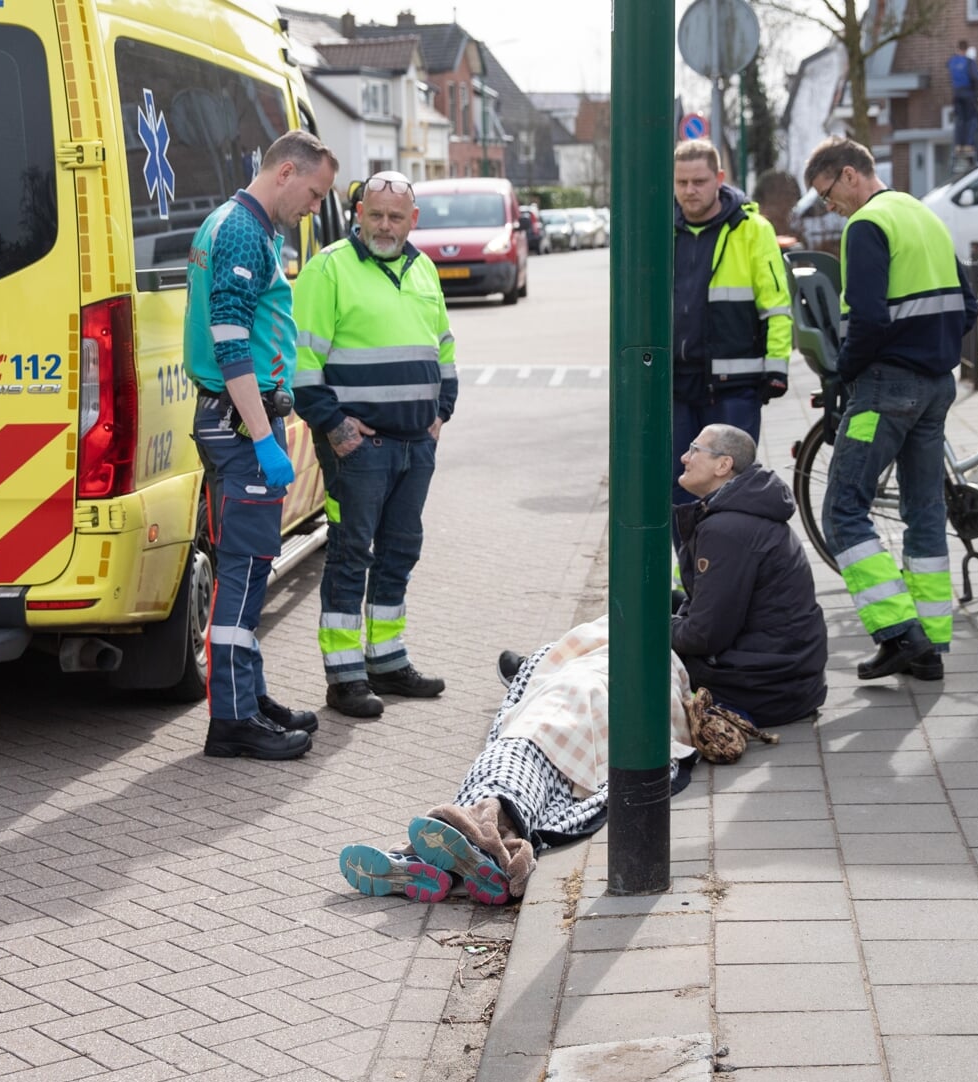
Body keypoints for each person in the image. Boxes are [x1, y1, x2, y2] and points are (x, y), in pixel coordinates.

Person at [339, 619, 700, 904]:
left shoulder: (635, 642)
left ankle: (439, 853)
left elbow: (534, 670)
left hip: (564, 703)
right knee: (531, 770)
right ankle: (477, 851)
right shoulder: (657, 651)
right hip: (583, 710)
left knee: (513, 753)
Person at [185, 129, 341, 759]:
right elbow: (229, 342)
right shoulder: (246, 230)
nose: (313, 207)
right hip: (241, 421)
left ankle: (248, 696)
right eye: (313, 192)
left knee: (246, 569)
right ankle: (232, 720)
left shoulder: (241, 223)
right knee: (245, 575)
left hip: (238, 419)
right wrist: (262, 437)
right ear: (285, 173)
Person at [803, 136, 977, 681]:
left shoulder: (867, 224)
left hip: (887, 387)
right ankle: (929, 647)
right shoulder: (922, 215)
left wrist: (843, 372)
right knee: (925, 511)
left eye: (827, 192)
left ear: (850, 175)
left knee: (843, 509)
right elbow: (966, 306)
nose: (828, 206)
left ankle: (899, 632)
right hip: (935, 384)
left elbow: (871, 320)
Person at [293, 170, 456, 718]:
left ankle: (387, 660)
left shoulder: (424, 267)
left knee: (399, 552)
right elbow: (301, 360)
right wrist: (335, 429)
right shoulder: (328, 268)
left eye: (396, 217)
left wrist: (442, 411)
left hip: (416, 445)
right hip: (358, 448)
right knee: (349, 555)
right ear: (358, 212)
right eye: (375, 214)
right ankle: (344, 679)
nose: (385, 225)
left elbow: (443, 345)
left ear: (414, 219)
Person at [672, 424, 828, 727]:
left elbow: (704, 635)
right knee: (661, 604)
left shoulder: (728, 529)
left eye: (694, 450)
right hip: (786, 679)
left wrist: (648, 632)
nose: (684, 457)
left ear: (723, 464)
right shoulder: (741, 510)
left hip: (762, 689)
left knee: (625, 648)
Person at [671, 139, 792, 506]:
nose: (690, 190)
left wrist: (776, 370)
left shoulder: (752, 229)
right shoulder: (663, 230)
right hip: (677, 385)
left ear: (719, 178)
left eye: (700, 181)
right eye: (681, 182)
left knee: (730, 491)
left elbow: (776, 305)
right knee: (681, 488)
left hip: (735, 388)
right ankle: (689, 565)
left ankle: (726, 564)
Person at [948, 40, 978, 162]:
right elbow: (975, 75)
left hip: (956, 94)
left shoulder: (952, 61)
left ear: (957, 48)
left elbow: (950, 70)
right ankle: (968, 145)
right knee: (971, 119)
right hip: (967, 93)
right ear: (966, 49)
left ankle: (958, 145)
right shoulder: (968, 62)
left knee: (960, 120)